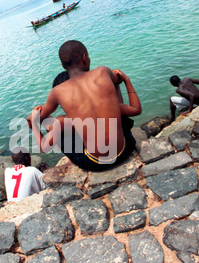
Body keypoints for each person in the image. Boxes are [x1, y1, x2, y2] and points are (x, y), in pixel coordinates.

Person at [28, 40, 142, 172]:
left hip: (96, 163)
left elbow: (40, 122)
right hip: (125, 150)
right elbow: (118, 80)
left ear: (63, 65)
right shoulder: (103, 72)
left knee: (59, 128)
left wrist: (33, 120)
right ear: (84, 57)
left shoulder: (57, 92)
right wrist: (126, 79)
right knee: (111, 103)